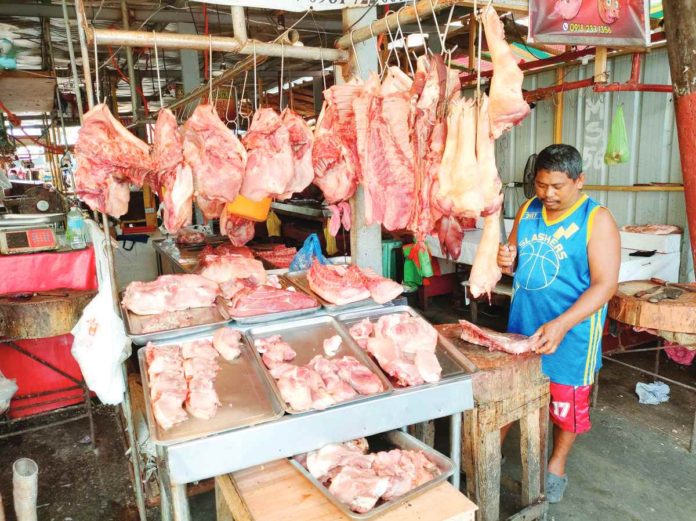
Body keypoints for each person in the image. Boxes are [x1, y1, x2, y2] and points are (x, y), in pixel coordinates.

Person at [497, 144, 620, 503]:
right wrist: (506, 259)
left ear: (579, 180)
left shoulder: (597, 220)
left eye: (557, 186)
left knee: (564, 407)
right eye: (541, 184)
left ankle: (557, 465)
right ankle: (493, 450)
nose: (547, 194)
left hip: (573, 333)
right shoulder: (528, 209)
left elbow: (605, 285)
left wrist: (563, 324)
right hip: (523, 324)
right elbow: (513, 261)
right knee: (508, 395)